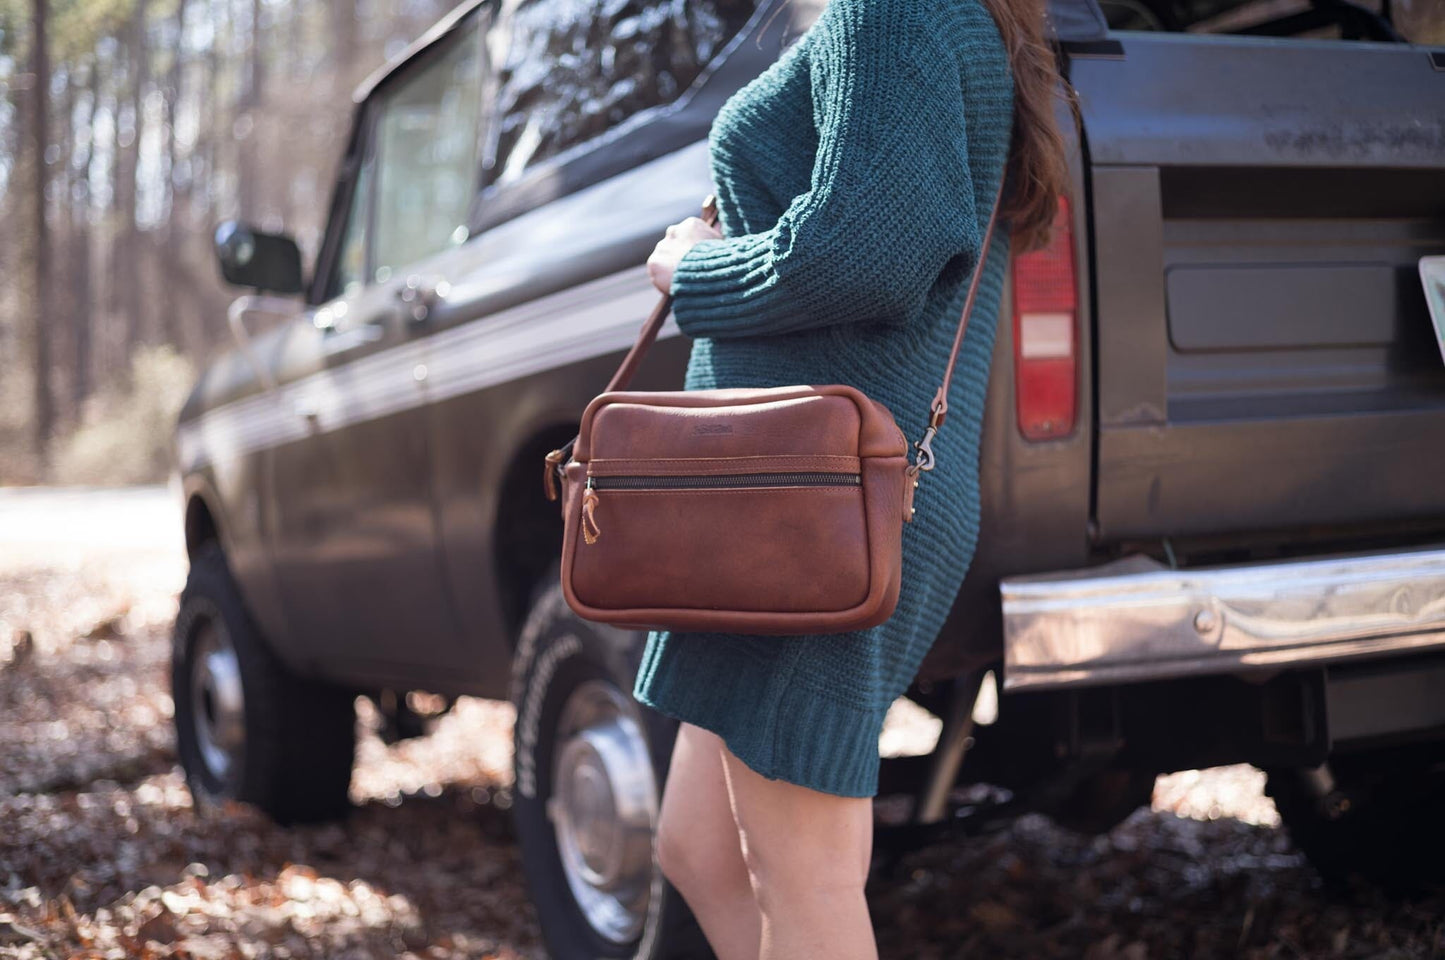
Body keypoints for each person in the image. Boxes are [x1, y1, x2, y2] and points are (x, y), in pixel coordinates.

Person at [637, 0, 1068, 955]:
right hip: (776, 492)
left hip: (816, 503)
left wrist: (696, 271)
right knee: (698, 846)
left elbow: (868, 256)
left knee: (803, 877)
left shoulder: (897, 13)